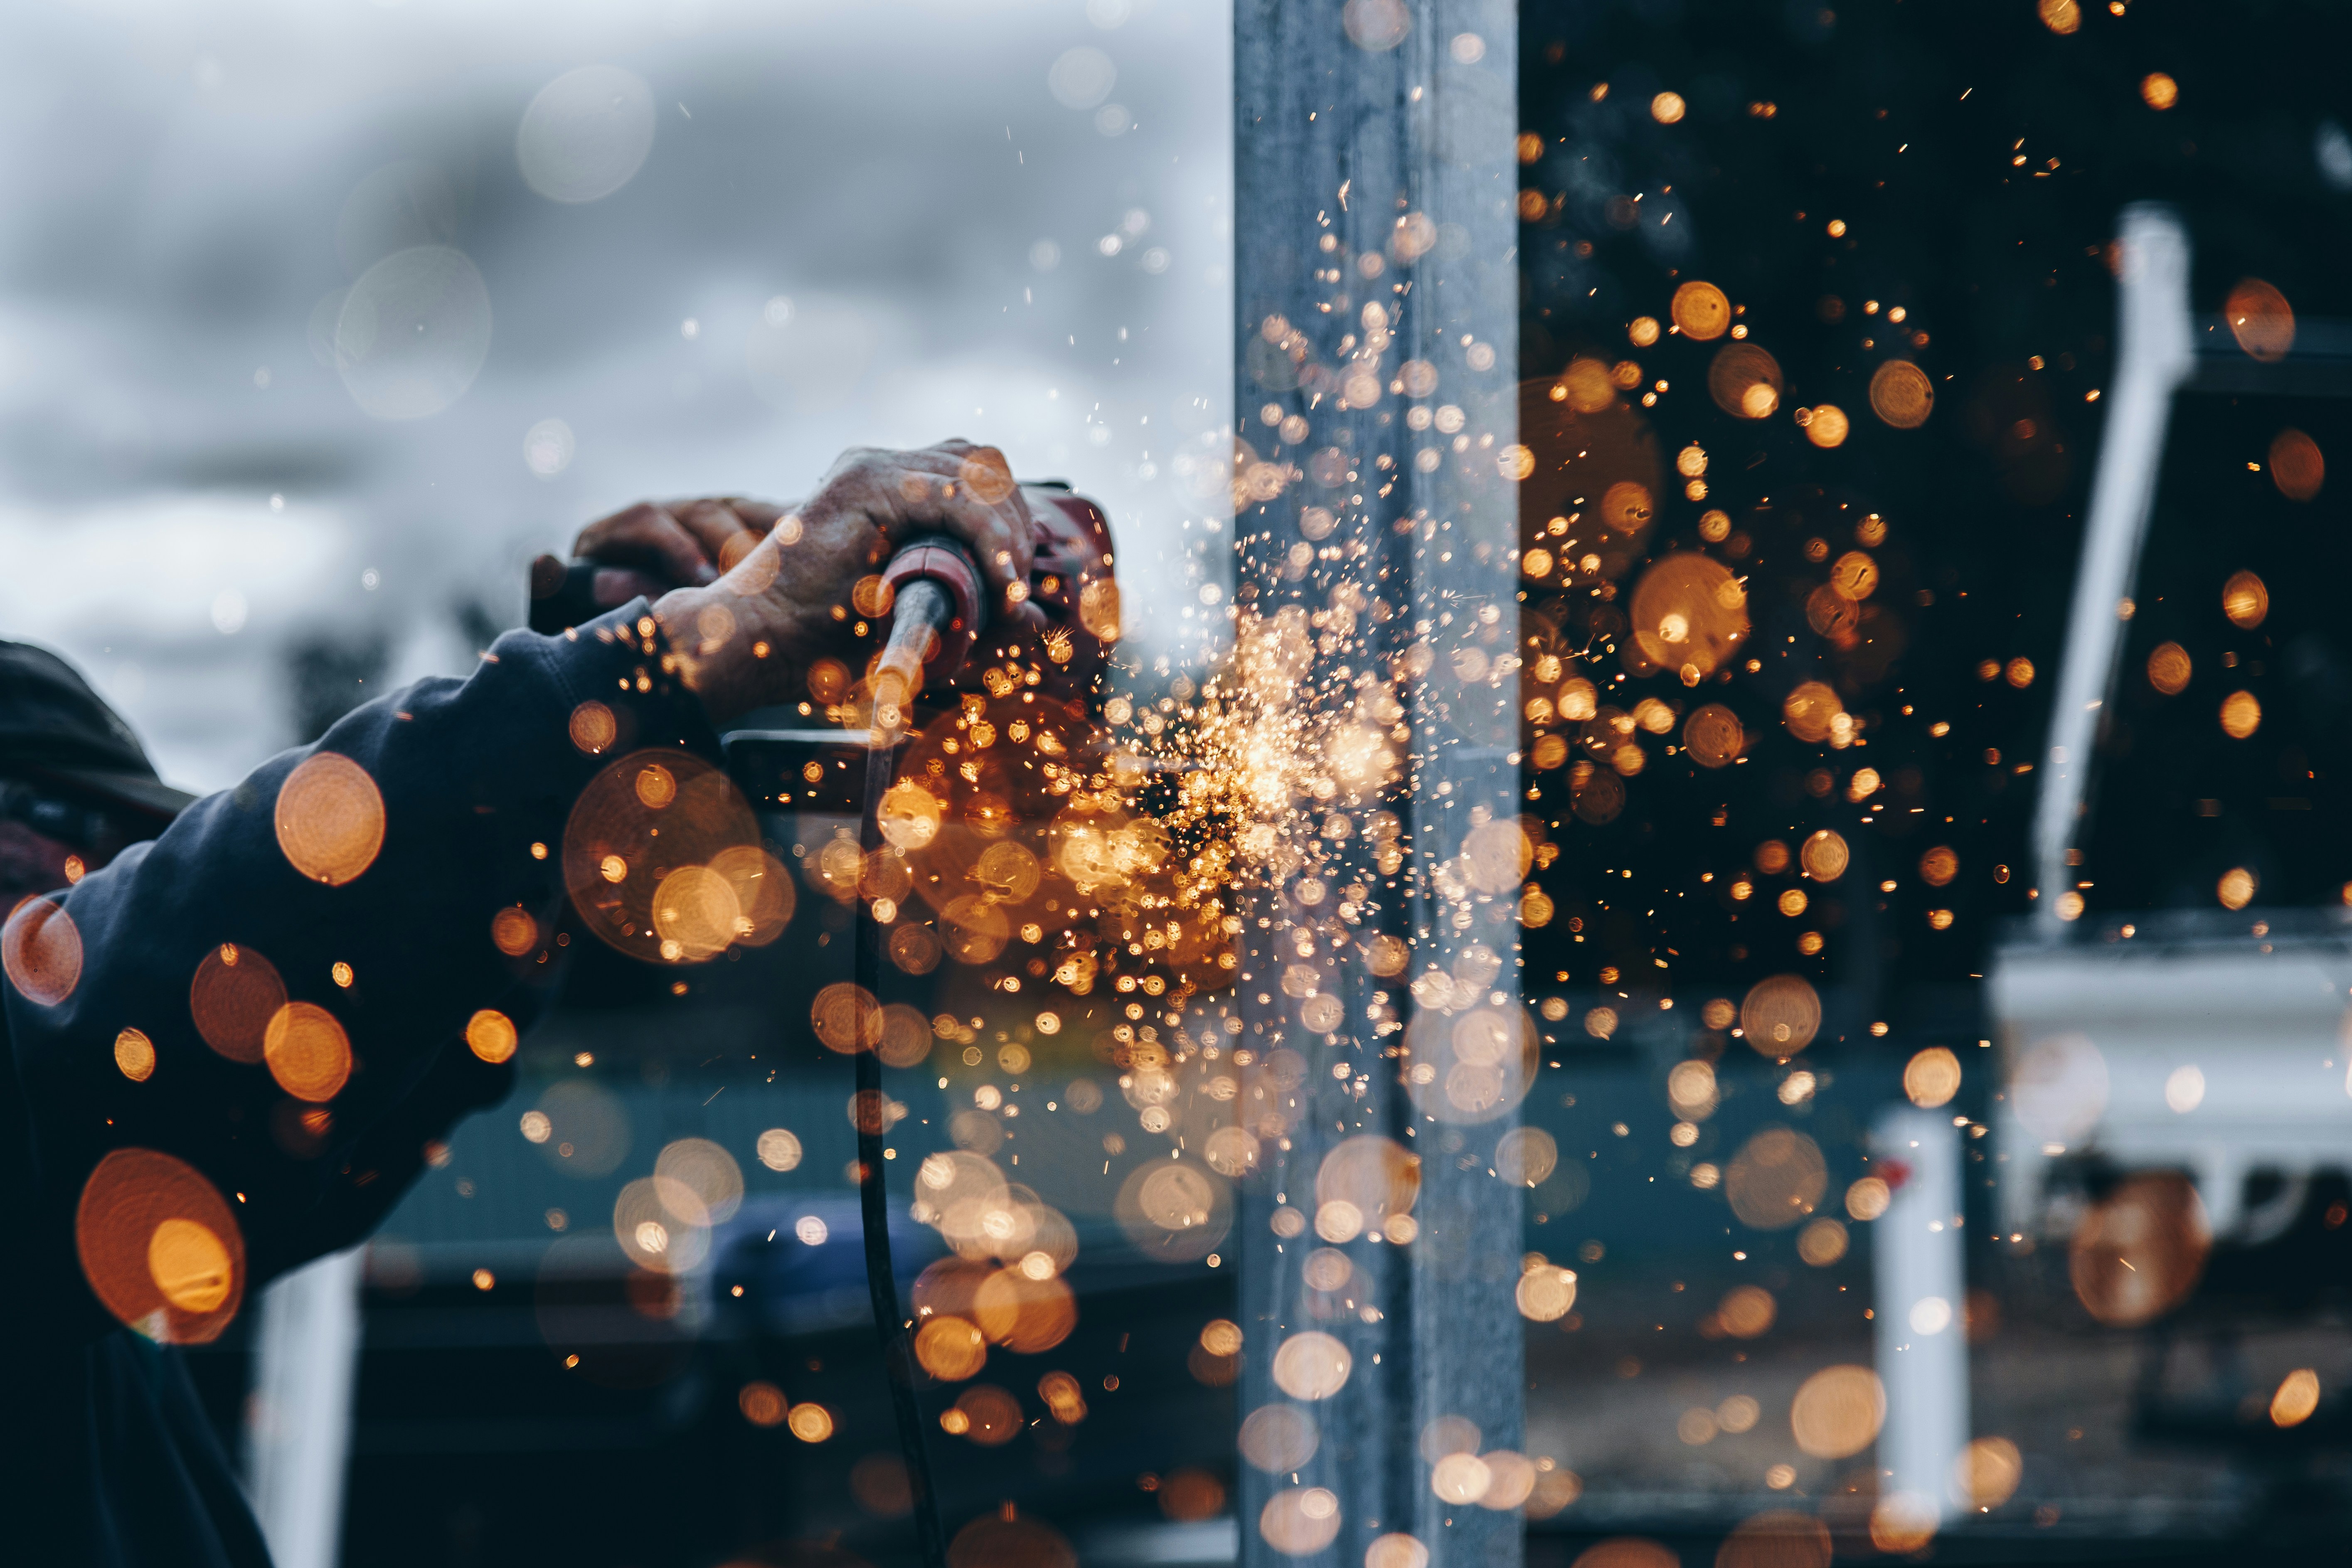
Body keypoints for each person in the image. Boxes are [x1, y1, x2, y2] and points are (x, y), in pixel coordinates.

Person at [0, 442, 1044, 1565]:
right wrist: (663, 662)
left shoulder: (89, 1241)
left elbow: (341, 1079)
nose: (93, 895)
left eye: (118, 865)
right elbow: (150, 999)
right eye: (61, 874)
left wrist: (601, 748)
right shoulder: (45, 1100)